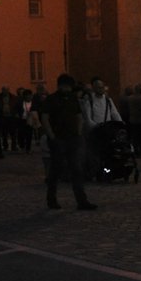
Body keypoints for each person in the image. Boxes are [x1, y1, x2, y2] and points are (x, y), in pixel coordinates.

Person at [42, 73, 97, 211]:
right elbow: (45, 117)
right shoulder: (51, 99)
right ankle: (51, 199)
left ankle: (81, 201)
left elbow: (78, 115)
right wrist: (52, 135)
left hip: (72, 138)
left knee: (76, 170)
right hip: (58, 138)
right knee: (56, 170)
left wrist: (78, 132)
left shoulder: (72, 98)